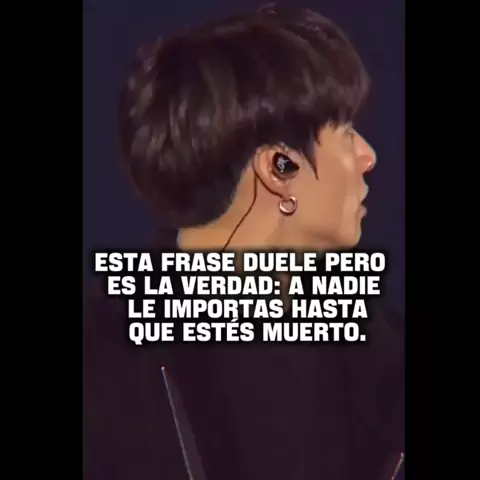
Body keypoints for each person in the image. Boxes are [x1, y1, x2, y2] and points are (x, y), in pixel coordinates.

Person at [84, 6, 404, 480]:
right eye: (345, 131)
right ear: (279, 169)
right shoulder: (101, 359)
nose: (368, 156)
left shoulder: (383, 356)